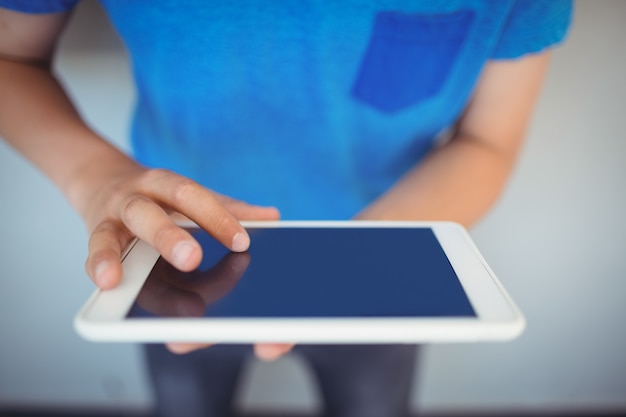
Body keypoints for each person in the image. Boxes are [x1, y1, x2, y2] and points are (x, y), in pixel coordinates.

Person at [0, 1, 572, 416]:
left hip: (386, 273)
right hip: (170, 257)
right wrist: (98, 178)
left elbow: (487, 140)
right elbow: (11, 59)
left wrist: (359, 258)